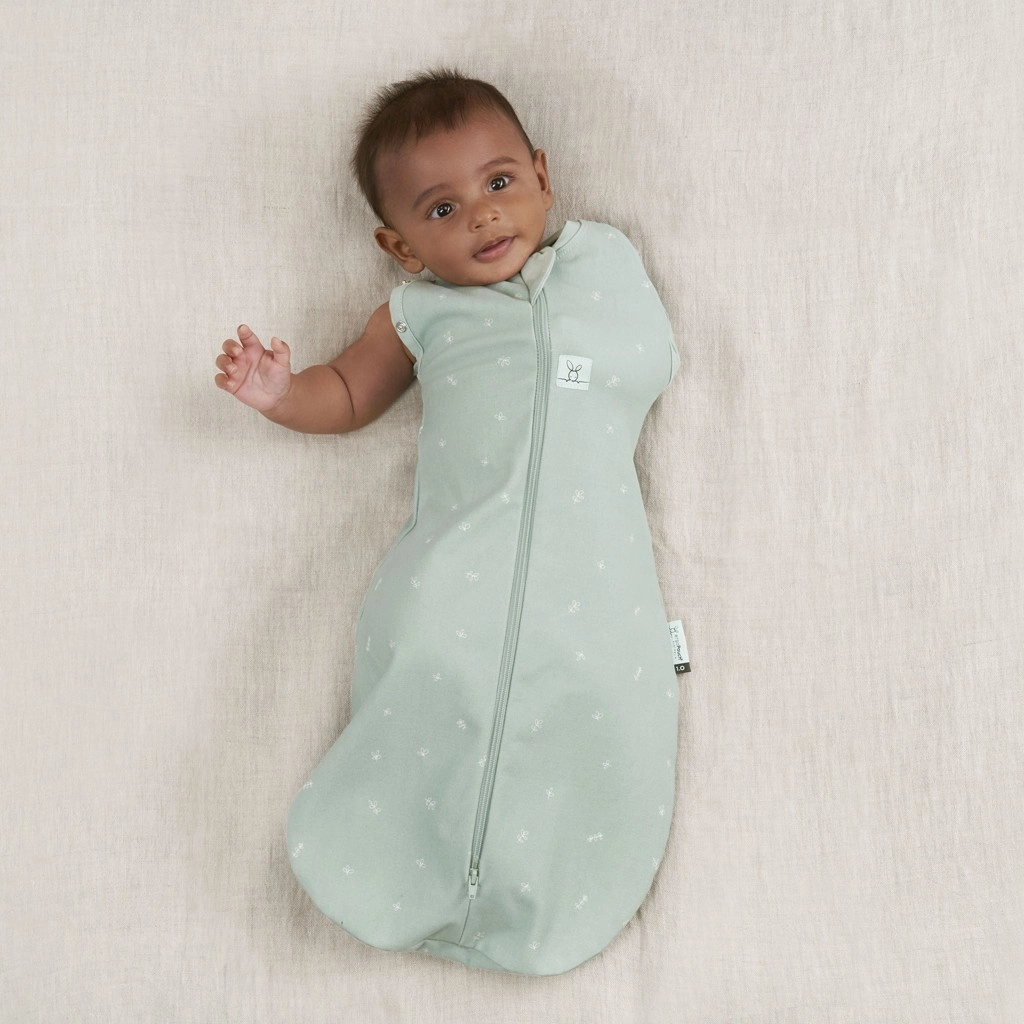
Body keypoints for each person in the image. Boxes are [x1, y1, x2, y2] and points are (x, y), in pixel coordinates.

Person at [214, 67, 682, 976]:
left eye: (499, 182)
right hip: (451, 573)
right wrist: (280, 392)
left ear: (542, 175)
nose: (481, 214)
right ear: (401, 246)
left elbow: (647, 359)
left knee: (588, 707)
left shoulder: (599, 263)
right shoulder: (419, 313)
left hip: (596, 585)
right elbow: (348, 392)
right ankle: (399, 862)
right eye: (441, 209)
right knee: (438, 688)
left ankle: (551, 888)